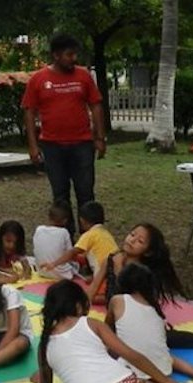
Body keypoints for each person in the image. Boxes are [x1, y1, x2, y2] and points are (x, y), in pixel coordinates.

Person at [31, 281, 193, 383]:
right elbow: (132, 355)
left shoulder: (45, 342)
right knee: (135, 374)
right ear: (79, 305)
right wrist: (165, 381)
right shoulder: (92, 324)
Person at [87, 223, 193, 352]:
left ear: (147, 252)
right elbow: (92, 290)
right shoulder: (111, 259)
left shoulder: (142, 272)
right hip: (113, 319)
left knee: (157, 339)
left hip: (135, 320)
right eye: (132, 234)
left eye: (140, 241)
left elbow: (126, 301)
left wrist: (118, 269)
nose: (132, 240)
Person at [22, 34, 107, 238]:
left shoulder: (83, 76)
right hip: (52, 147)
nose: (74, 58)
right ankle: (65, 240)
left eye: (75, 53)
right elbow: (29, 111)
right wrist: (33, 146)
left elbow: (96, 106)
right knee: (60, 196)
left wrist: (100, 137)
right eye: (69, 54)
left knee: (86, 193)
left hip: (82, 145)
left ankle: (90, 239)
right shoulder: (38, 79)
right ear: (56, 55)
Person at [107, 263, 193, 383]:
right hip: (163, 371)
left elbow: (106, 329)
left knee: (111, 346)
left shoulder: (118, 301)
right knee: (165, 355)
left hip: (132, 372)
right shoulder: (154, 310)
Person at [40, 201, 117, 278]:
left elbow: (72, 253)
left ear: (83, 221)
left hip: (105, 274)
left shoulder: (89, 235)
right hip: (117, 270)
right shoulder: (106, 233)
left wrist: (53, 264)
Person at [34, 201, 78, 280]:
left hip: (42, 271)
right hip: (62, 274)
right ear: (65, 220)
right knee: (76, 264)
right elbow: (70, 254)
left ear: (49, 217)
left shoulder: (39, 229)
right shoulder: (64, 233)